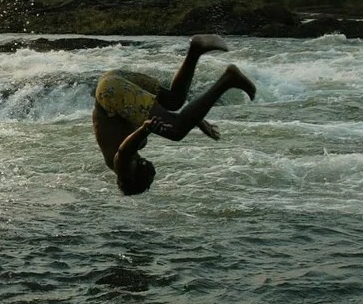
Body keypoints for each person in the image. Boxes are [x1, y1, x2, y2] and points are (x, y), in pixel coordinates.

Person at [92, 34, 256, 195]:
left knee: (176, 131)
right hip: (112, 82)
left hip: (111, 92)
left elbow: (124, 150)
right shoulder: (133, 156)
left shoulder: (122, 168)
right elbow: (139, 118)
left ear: (134, 179)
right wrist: (196, 120)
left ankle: (228, 80)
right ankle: (196, 48)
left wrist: (145, 130)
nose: (153, 176)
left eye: (149, 181)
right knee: (174, 100)